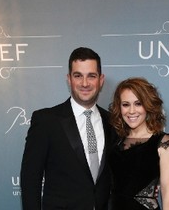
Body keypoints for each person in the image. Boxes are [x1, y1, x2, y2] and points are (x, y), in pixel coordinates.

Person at [20, 47, 116, 210]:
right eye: (78, 76)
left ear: (101, 80)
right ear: (69, 79)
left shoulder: (113, 122)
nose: (85, 83)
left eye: (91, 76)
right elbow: (30, 180)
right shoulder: (46, 121)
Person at [108, 77, 169, 210]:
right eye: (126, 104)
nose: (132, 111)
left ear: (148, 105)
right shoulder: (116, 140)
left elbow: (168, 197)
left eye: (138, 103)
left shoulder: (164, 143)